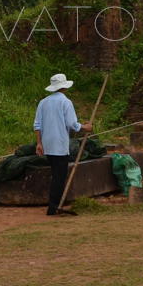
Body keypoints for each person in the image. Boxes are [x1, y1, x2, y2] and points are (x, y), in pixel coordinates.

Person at [34, 73, 92, 215]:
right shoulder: (65, 102)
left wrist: (39, 143)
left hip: (47, 144)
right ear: (64, 87)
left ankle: (56, 204)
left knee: (56, 174)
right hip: (59, 144)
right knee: (59, 177)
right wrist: (85, 127)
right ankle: (53, 207)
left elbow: (37, 125)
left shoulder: (43, 102)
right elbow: (71, 123)